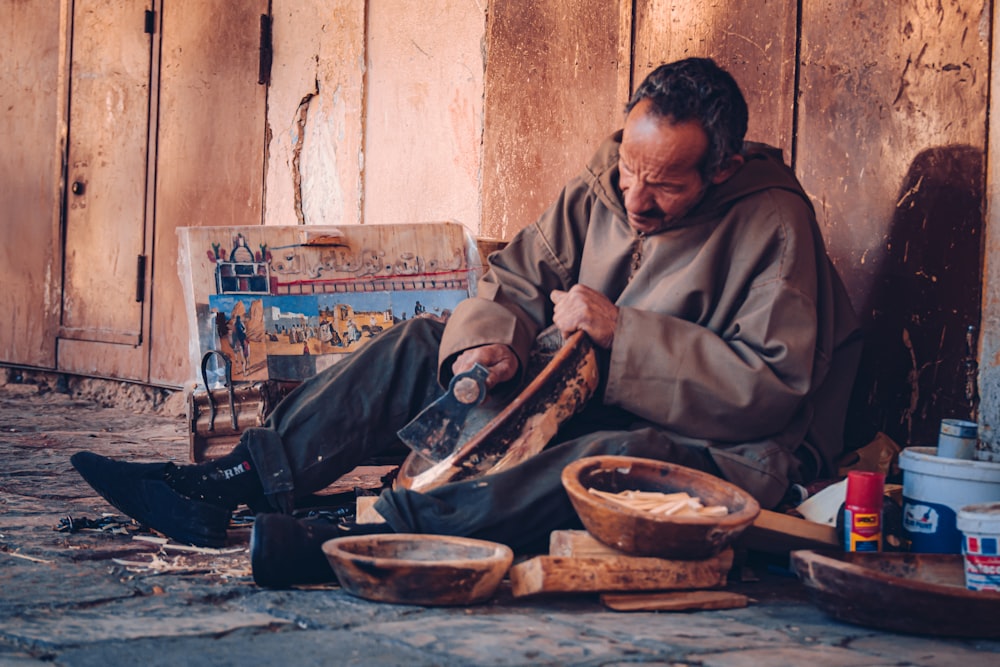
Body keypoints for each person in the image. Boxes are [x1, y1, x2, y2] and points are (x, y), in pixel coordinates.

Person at [71, 57, 861, 587]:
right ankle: (235, 480)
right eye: (629, 166)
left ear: (721, 166)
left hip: (717, 446)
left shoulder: (774, 224)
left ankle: (362, 535)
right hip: (574, 389)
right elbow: (516, 277)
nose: (635, 197)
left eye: (664, 185)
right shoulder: (601, 183)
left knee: (611, 457)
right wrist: (494, 338)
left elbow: (772, 390)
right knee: (426, 343)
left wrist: (627, 335)